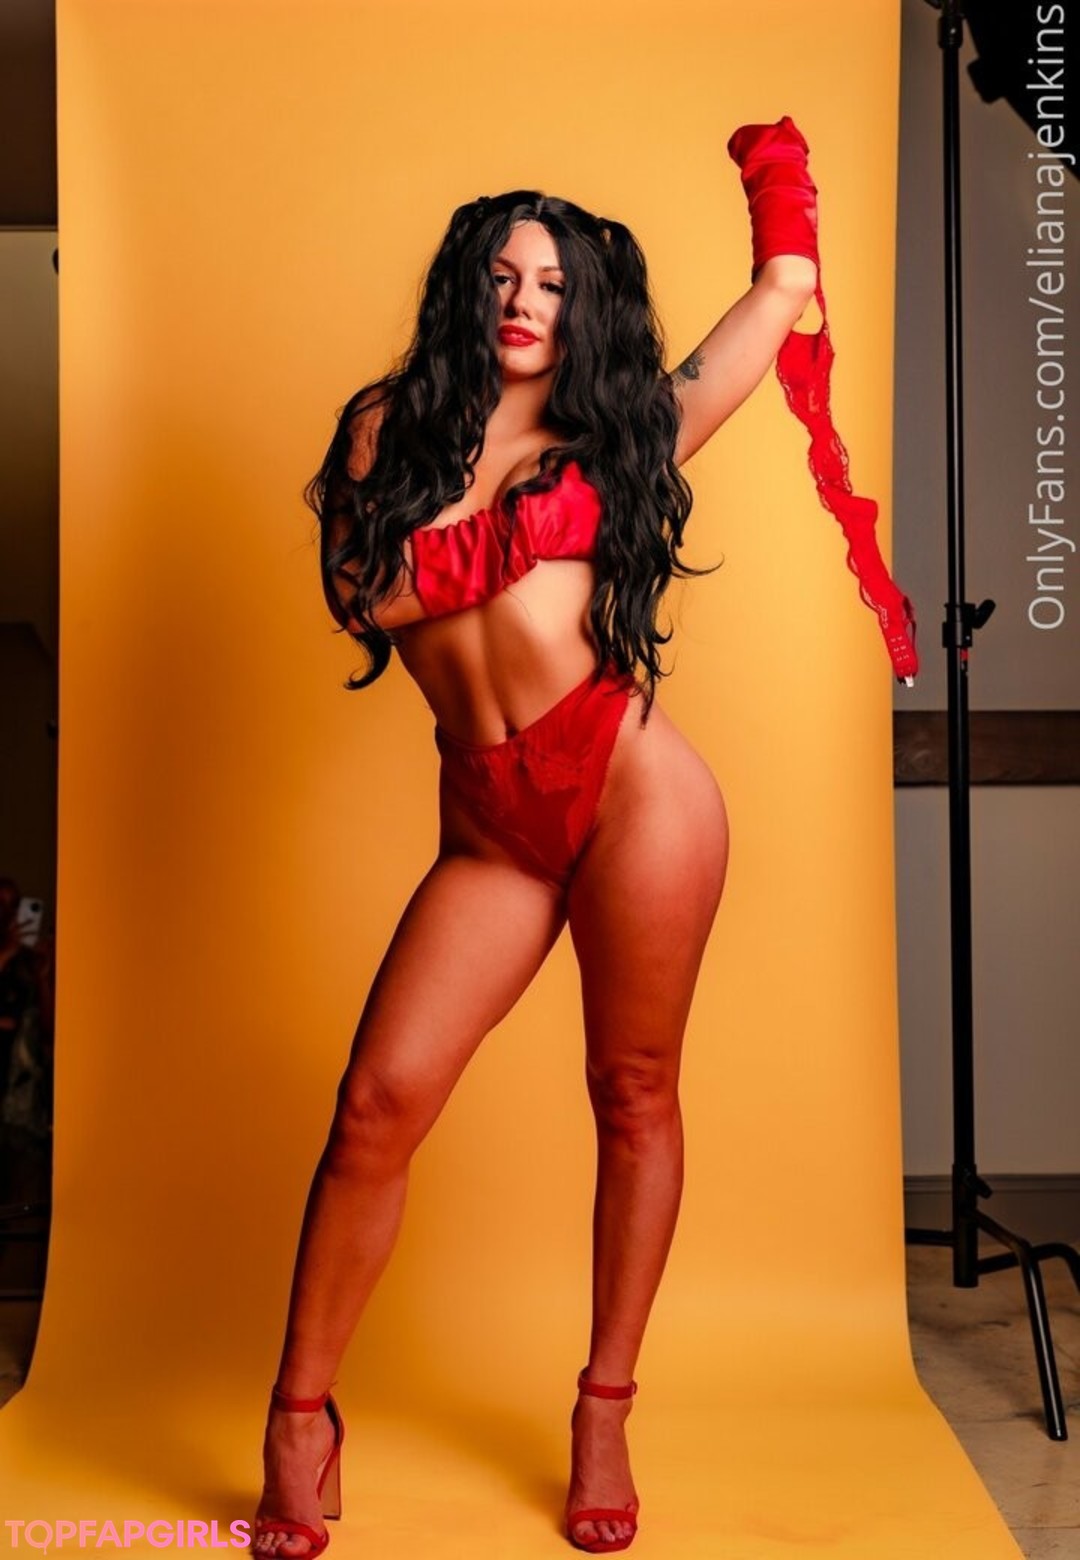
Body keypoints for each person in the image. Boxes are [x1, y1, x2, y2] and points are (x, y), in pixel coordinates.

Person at [252, 118, 820, 1558]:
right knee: (376, 1108)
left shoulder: (615, 434)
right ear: (468, 286)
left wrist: (779, 186)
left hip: (632, 788)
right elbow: (365, 594)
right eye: (505, 277)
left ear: (585, 307)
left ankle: (604, 1408)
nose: (526, 302)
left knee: (633, 1093)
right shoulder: (388, 423)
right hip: (491, 822)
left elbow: (775, 306)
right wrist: (519, 532)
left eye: (556, 285)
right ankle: (301, 1420)